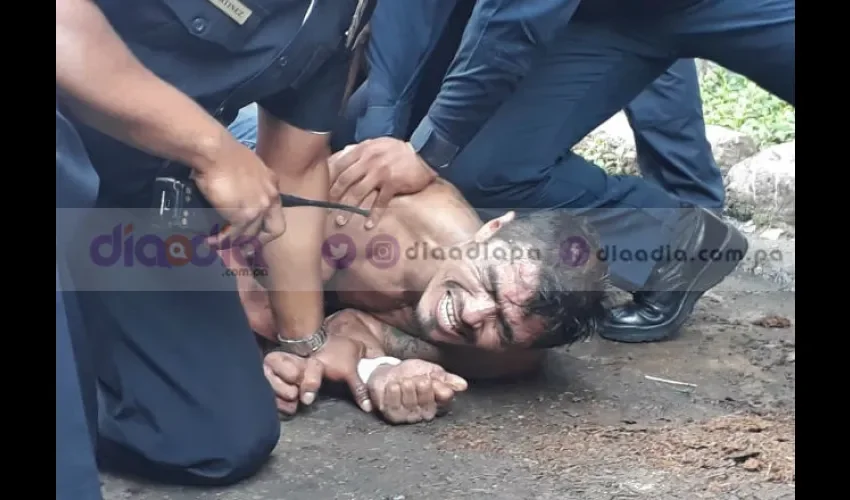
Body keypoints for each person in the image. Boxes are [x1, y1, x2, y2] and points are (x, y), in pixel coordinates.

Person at [325, 0, 792, 343]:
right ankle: (674, 237)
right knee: (480, 169)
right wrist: (379, 137)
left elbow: (517, 16)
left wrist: (426, 150)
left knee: (440, 148)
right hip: (614, 16)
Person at [56, 0, 374, 495]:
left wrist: (304, 343)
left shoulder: (342, 12)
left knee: (219, 435)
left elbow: (298, 163)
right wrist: (212, 148)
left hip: (129, 202)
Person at [229, 148, 608, 424]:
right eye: (489, 285)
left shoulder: (506, 356)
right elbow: (238, 234)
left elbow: (353, 331)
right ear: (490, 231)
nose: (471, 315)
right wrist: (274, 345)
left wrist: (387, 374)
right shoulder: (383, 214)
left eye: (503, 328)